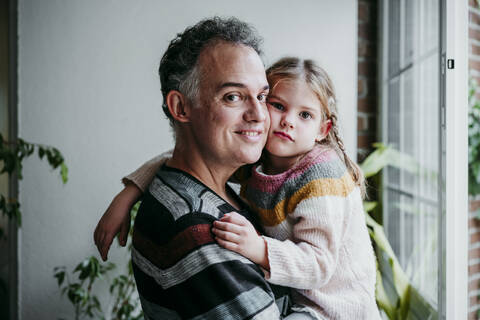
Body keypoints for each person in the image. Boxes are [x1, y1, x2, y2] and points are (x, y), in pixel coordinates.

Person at [96, 56, 381, 319]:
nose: (288, 121)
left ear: (323, 130)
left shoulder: (321, 178)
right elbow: (180, 159)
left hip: (335, 308)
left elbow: (318, 265)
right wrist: (130, 192)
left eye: (305, 115)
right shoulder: (260, 160)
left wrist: (259, 247)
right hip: (301, 297)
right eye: (277, 105)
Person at [94, 17, 283, 319]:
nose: (259, 114)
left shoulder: (212, 186)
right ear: (181, 107)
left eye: (262, 96)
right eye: (233, 96)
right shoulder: (200, 229)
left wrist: (133, 187)